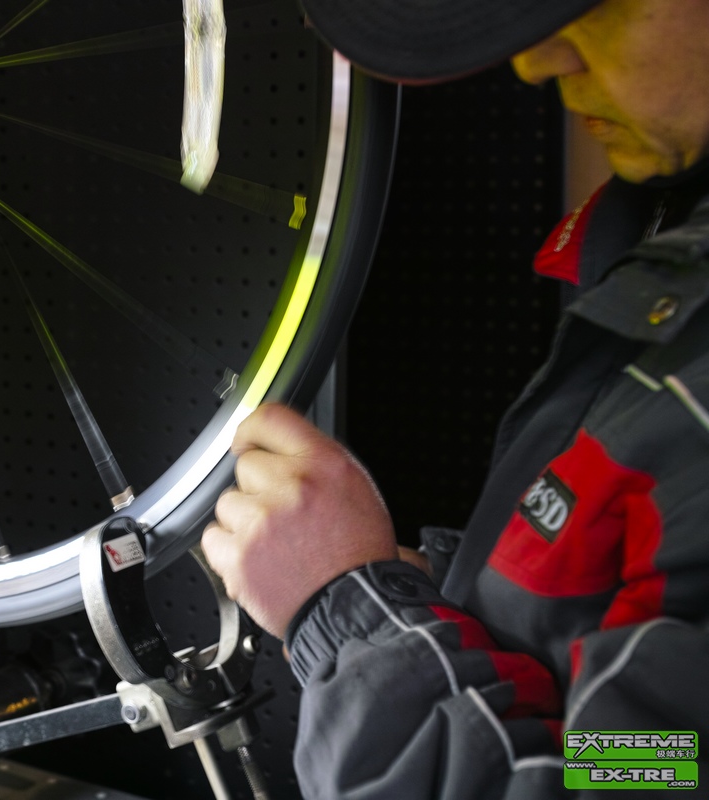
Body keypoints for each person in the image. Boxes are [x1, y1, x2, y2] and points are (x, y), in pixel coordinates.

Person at [199, 0, 709, 796]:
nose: (535, 61)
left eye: (597, 6)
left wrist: (349, 615)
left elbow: (630, 777)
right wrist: (429, 593)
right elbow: (647, 731)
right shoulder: (663, 259)